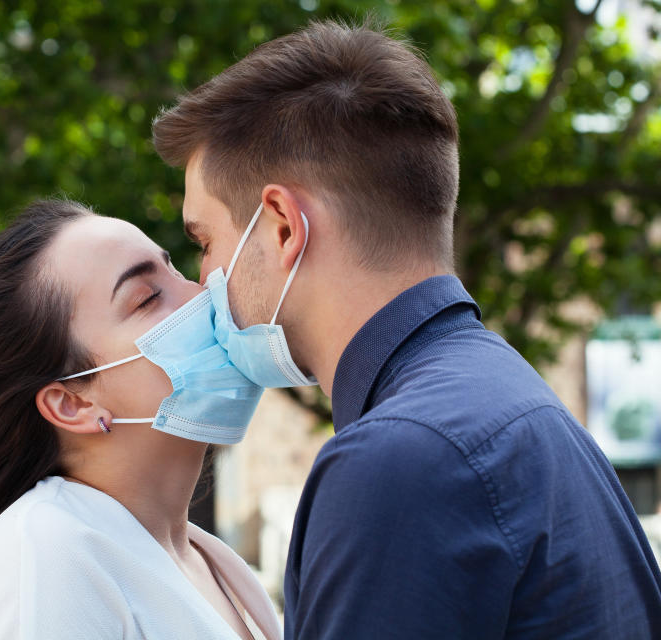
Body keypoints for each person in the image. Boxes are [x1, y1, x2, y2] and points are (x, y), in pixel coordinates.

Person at [152, 18, 661, 639]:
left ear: (283, 226)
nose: (202, 280)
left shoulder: (400, 460)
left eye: (204, 242)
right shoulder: (503, 400)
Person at [0, 199, 281, 640]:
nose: (200, 292)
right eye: (146, 298)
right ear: (72, 404)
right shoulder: (42, 560)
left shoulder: (201, 557)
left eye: (176, 269)